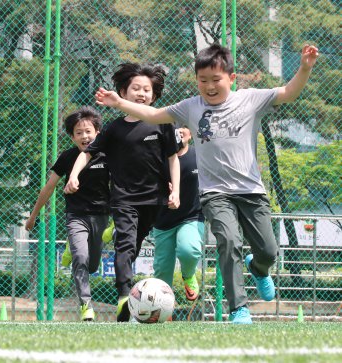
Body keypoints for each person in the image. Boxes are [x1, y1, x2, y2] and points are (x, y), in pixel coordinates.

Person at [95, 44, 319, 324]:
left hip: (251, 191)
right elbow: (153, 115)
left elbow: (288, 93)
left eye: (216, 80)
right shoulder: (191, 106)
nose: (209, 86)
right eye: (203, 81)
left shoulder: (250, 99)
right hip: (215, 193)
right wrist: (119, 103)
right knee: (228, 240)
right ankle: (239, 308)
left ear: (232, 78)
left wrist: (305, 68)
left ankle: (259, 268)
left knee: (268, 251)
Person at [65, 63, 181, 322]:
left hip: (155, 198)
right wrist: (73, 175)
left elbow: (173, 158)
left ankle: (126, 289)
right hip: (124, 199)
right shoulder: (114, 129)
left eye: (147, 90)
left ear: (154, 95)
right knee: (125, 246)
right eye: (136, 88)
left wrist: (176, 192)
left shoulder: (162, 122)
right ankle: (124, 297)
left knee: (135, 245)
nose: (141, 93)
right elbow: (87, 153)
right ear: (123, 92)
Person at [25, 106, 110, 321]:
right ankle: (86, 304)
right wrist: (34, 215)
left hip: (101, 216)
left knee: (91, 265)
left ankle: (72, 251)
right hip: (76, 215)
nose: (84, 136)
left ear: (97, 132)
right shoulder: (67, 157)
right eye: (78, 132)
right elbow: (49, 187)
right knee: (81, 257)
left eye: (88, 131)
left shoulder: (107, 155)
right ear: (72, 136)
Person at [152, 127, 204, 301]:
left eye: (183, 128)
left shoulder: (201, 156)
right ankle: (163, 312)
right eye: (174, 128)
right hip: (163, 221)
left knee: (188, 250)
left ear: (190, 134)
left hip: (191, 216)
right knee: (162, 271)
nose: (179, 132)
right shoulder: (158, 158)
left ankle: (188, 274)